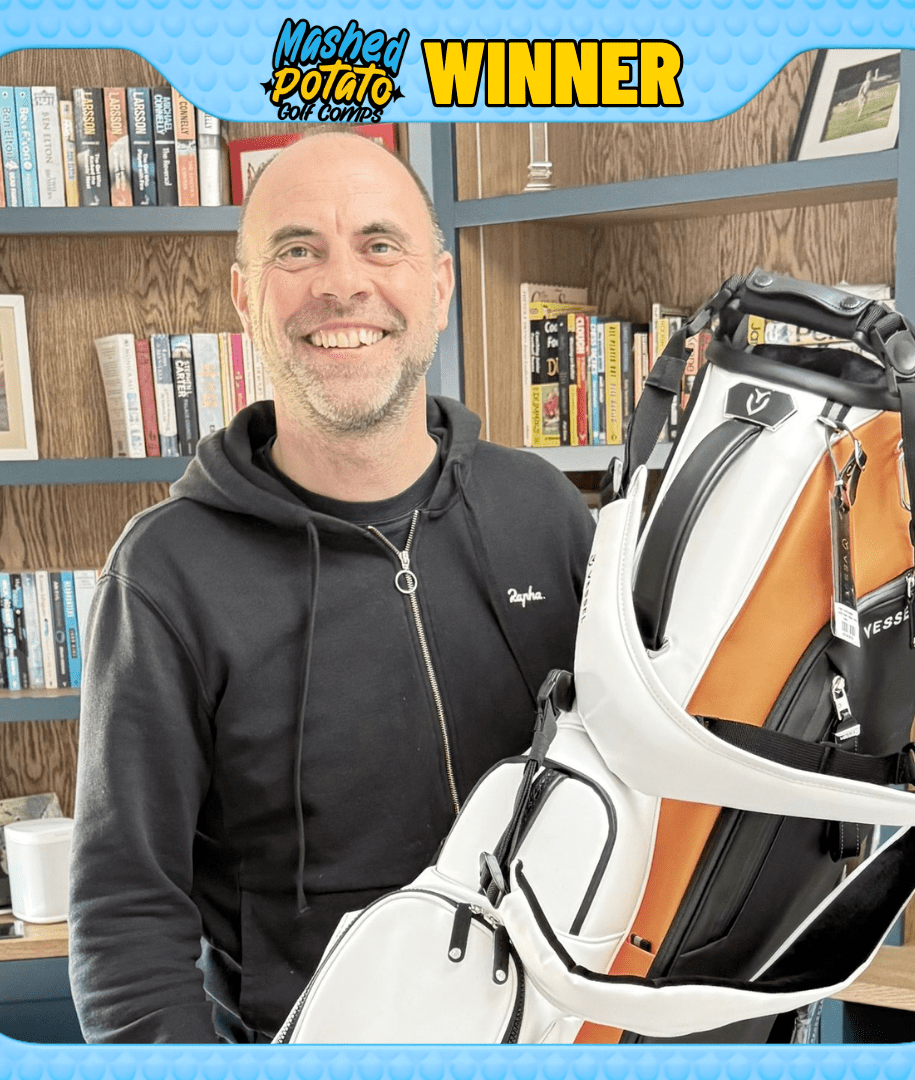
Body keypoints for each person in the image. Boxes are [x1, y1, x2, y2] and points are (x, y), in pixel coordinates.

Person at [68, 130, 597, 1044]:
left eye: (379, 244)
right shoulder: (164, 573)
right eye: (297, 250)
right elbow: (125, 920)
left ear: (439, 287)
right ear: (246, 297)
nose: (341, 284)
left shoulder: (543, 510)